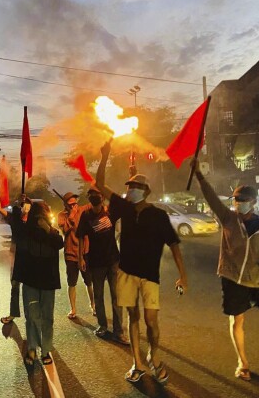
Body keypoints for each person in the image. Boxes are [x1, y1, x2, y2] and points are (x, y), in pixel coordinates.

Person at [96, 139, 188, 384]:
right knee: (133, 316)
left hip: (150, 276)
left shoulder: (158, 215)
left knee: (151, 320)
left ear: (146, 191)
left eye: (136, 186)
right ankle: (137, 362)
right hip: (126, 272)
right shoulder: (124, 208)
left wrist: (183, 275)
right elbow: (99, 185)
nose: (131, 189)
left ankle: (154, 357)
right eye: (130, 186)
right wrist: (104, 156)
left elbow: (174, 244)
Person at [193, 159, 259, 388]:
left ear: (253, 202)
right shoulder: (228, 218)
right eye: (236, 200)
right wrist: (199, 175)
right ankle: (243, 363)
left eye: (242, 200)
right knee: (237, 321)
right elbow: (212, 198)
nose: (238, 204)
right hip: (234, 278)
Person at [12, 201, 64, 365]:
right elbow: (16, 226)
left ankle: (46, 350)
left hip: (48, 283)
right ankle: (32, 349)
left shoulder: (52, 233)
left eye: (43, 216)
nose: (40, 220)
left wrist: (47, 229)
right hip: (31, 282)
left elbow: (59, 243)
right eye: (38, 216)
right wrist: (18, 207)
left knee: (47, 318)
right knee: (32, 316)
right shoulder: (26, 233)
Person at [77, 186, 129, 345]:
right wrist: (80, 258)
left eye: (97, 194)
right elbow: (80, 237)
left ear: (102, 197)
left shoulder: (109, 212)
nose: (95, 197)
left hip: (113, 260)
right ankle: (102, 326)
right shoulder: (85, 216)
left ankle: (118, 332)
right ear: (89, 198)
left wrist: (130, 177)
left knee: (116, 297)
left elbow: (125, 203)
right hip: (96, 263)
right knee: (98, 296)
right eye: (91, 194)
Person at [57, 192, 95, 320]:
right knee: (71, 282)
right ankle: (73, 308)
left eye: (75, 203)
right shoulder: (62, 216)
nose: (74, 206)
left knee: (89, 281)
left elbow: (93, 205)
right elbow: (64, 230)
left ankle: (93, 305)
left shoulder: (83, 210)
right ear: (66, 205)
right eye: (71, 204)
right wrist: (71, 216)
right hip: (71, 254)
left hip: (85, 252)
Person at [0, 194, 32, 325]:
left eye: (25, 205)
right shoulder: (16, 219)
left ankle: (28, 314)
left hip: (27, 256)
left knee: (26, 288)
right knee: (15, 286)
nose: (24, 207)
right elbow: (0, 209)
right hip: (18, 255)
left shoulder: (30, 220)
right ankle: (14, 313)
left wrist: (27, 200)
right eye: (22, 205)